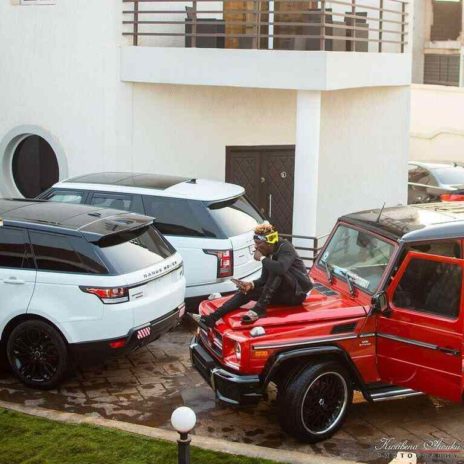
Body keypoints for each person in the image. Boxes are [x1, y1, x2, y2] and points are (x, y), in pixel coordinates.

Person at [194, 223, 313, 328]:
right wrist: (251, 284)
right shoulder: (268, 254)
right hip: (280, 291)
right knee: (246, 292)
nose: (256, 247)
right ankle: (211, 318)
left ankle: (260, 309)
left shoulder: (285, 247)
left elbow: (281, 268)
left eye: (258, 244)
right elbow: (263, 279)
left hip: (296, 294)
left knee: (277, 271)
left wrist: (261, 258)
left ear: (269, 242)